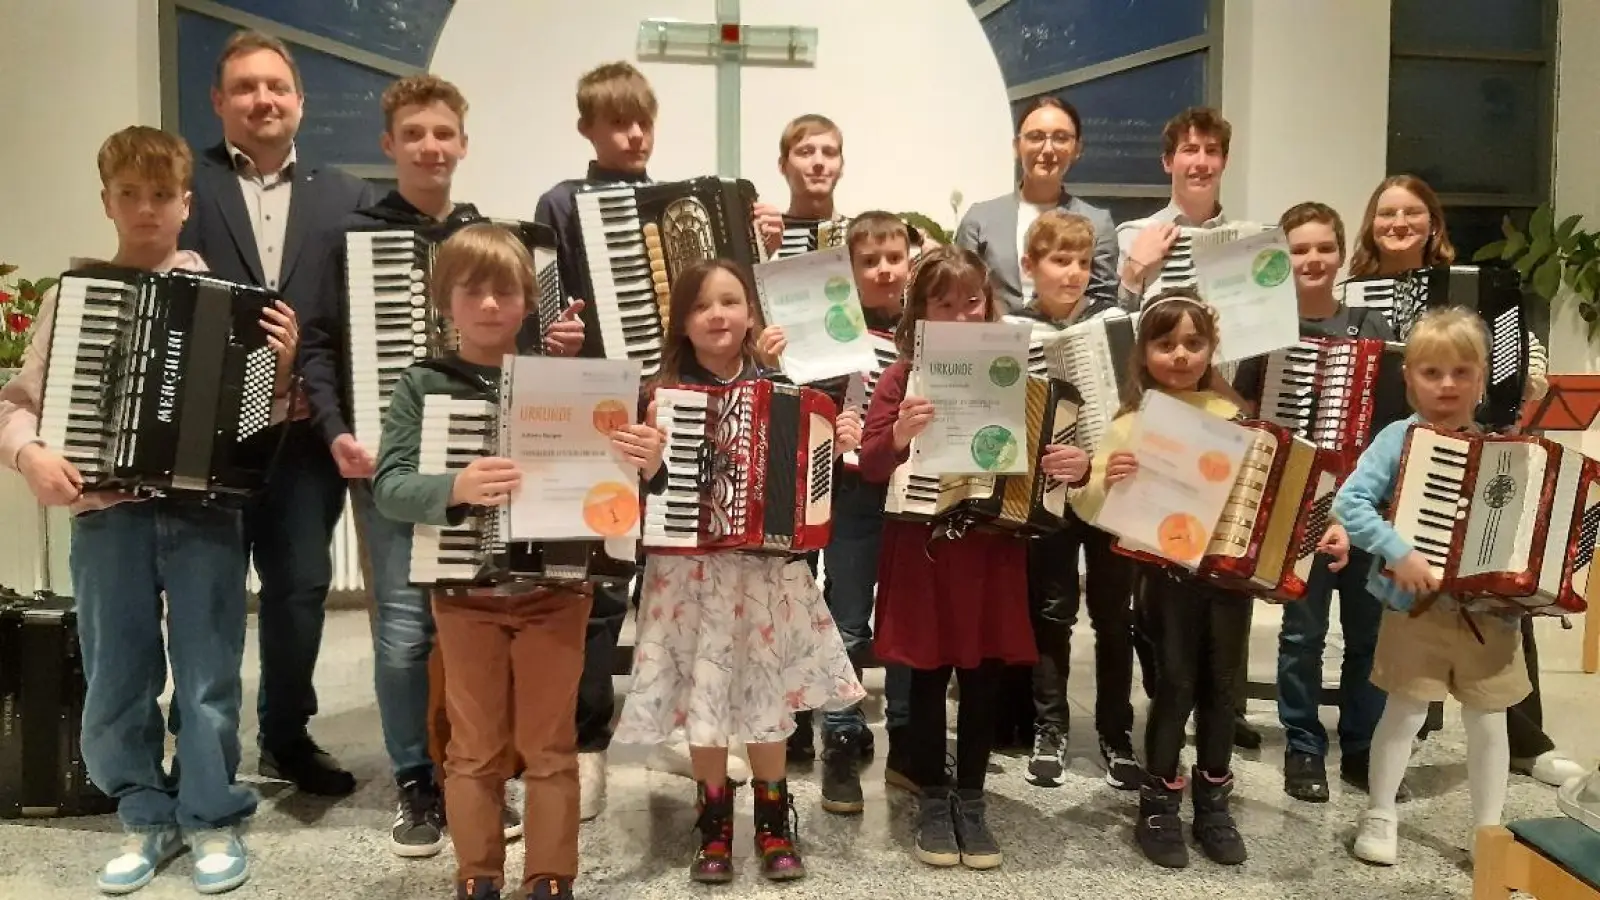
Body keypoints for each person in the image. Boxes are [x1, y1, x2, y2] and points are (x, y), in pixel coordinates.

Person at [0, 125, 298, 894]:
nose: (144, 209)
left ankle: (209, 814)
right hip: (107, 516)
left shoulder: (228, 301)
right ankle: (143, 811)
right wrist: (30, 455)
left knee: (207, 674)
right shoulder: (72, 299)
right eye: (128, 195)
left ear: (185, 204)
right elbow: (16, 406)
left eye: (160, 195)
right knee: (117, 673)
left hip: (203, 516)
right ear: (106, 201)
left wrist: (283, 362)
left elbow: (262, 422)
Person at [297, 73, 585, 856]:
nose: (430, 146)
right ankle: (418, 779)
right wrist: (334, 432)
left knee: (496, 610)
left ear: (462, 143)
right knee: (400, 632)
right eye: (414, 134)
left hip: (494, 462)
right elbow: (320, 347)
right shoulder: (349, 238)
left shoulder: (497, 236)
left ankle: (488, 771)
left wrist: (553, 348)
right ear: (390, 146)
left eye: (444, 133)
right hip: (392, 459)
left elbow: (520, 358)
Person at [532, 62, 783, 817]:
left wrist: (764, 248)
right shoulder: (561, 202)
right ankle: (586, 743)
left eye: (642, 120)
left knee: (683, 588)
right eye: (615, 122)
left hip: (688, 405)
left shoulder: (687, 205)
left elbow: (737, 304)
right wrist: (562, 336)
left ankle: (685, 726)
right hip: (607, 408)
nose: (632, 134)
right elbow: (551, 301)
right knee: (603, 582)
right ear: (588, 129)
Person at [371, 223, 646, 900]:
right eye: (473, 291)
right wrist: (454, 490)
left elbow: (617, 480)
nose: (490, 305)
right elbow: (388, 487)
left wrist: (648, 460)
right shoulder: (422, 385)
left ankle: (552, 876)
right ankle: (479, 875)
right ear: (446, 300)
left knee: (551, 745)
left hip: (558, 591)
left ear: (528, 300)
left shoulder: (570, 383)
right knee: (473, 748)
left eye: (504, 291)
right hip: (465, 595)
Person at [613, 259, 866, 884]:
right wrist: (648, 469)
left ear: (752, 314)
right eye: (702, 306)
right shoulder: (657, 393)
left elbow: (811, 467)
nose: (718, 315)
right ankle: (715, 826)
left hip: (766, 573)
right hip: (686, 573)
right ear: (684, 322)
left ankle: (775, 821)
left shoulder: (782, 383)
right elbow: (630, 498)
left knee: (765, 698)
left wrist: (836, 437)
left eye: (730, 302)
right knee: (704, 700)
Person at [179, 27, 377, 796]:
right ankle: (205, 748)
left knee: (299, 589)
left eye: (277, 87)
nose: (263, 99)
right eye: (246, 87)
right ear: (219, 101)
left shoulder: (347, 196)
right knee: (211, 592)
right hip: (209, 438)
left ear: (300, 101)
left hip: (301, 435)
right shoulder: (186, 185)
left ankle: (287, 737)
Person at [858, 245, 1089, 869]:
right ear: (920, 313)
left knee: (985, 674)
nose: (961, 316)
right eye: (944, 304)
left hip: (992, 549)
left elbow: (1052, 454)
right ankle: (934, 799)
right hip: (925, 547)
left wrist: (1074, 464)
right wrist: (901, 433)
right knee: (929, 675)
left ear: (989, 305)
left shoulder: (1018, 373)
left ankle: (973, 798)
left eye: (972, 302)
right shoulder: (902, 375)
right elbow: (873, 462)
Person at [1348, 175, 1576, 784]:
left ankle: (1526, 740)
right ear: (1372, 223)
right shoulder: (1356, 292)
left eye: (1412, 213)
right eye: (1387, 213)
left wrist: (1526, 371)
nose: (1398, 223)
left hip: (1470, 436)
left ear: (1432, 224)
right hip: (1393, 432)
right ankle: (1396, 729)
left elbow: (1520, 354)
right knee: (1410, 606)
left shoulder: (1480, 290)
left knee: (1493, 575)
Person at [1069, 289, 1295, 868]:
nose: (1180, 354)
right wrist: (1106, 481)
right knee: (1172, 687)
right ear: (1143, 353)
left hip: (1226, 583)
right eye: (1165, 343)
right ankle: (1159, 802)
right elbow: (1091, 507)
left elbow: (1268, 500)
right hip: (1164, 580)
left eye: (1194, 343)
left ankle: (1214, 803)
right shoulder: (1129, 424)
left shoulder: (1239, 422)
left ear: (1211, 350)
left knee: (1223, 690)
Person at [1333, 306, 1533, 866]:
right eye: (1432, 372)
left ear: (1483, 376)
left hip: (1487, 614)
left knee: (1489, 720)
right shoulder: (1399, 438)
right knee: (1404, 710)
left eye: (1461, 372)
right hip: (1414, 608)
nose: (1447, 385)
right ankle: (1381, 812)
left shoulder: (1507, 451)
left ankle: (1488, 834)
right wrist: (1400, 550)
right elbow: (1349, 504)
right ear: (1409, 377)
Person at [1231, 202, 1400, 802]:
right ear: (1282, 258)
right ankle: (1303, 745)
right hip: (1296, 505)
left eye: (1323, 247)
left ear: (1340, 252)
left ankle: (1361, 746)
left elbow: (1393, 425)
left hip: (1366, 509)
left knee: (1368, 632)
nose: (1313, 259)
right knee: (1301, 633)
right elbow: (1246, 413)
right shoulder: (1264, 331)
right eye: (1299, 249)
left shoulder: (1373, 327)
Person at [1113, 107, 1260, 748]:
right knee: (1162, 576)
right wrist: (1134, 271)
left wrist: (1234, 399)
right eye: (1188, 150)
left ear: (1224, 160)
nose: (1199, 160)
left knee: (1221, 562)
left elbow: (1258, 339)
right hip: (1159, 423)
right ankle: (1170, 690)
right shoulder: (1134, 234)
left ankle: (1219, 702)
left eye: (1211, 150)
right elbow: (1118, 331)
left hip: (1223, 415)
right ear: (1168, 161)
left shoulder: (1250, 241)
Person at [766, 211, 917, 811]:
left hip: (910, 495)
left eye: (893, 258)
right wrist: (834, 423)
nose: (883, 270)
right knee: (847, 621)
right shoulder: (824, 331)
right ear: (848, 271)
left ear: (910, 262)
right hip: (849, 492)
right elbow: (794, 405)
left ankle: (907, 736)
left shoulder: (925, 329)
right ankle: (842, 739)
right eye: (869, 261)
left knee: (904, 621)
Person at [1008, 211, 1143, 791]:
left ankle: (1116, 731)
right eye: (1060, 261)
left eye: (1084, 263)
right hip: (1049, 491)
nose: (1073, 273)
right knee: (1052, 612)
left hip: (1110, 488)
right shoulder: (1013, 330)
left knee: (1115, 618)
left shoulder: (1115, 324)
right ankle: (1050, 728)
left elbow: (1138, 409)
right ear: (1029, 267)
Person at [955, 96, 1118, 316]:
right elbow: (961, 294)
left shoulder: (1097, 222)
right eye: (1035, 137)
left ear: (1077, 148)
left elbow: (1102, 300)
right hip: (995, 345)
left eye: (1061, 138)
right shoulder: (980, 219)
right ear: (1016, 146)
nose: (1048, 149)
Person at [773, 113, 847, 259]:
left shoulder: (863, 236)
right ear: (783, 165)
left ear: (842, 166)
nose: (819, 162)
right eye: (805, 152)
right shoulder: (763, 240)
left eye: (829, 153)